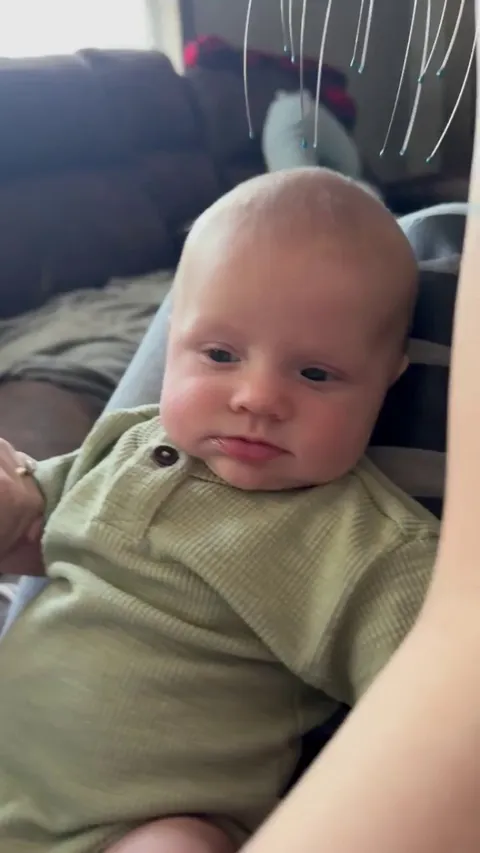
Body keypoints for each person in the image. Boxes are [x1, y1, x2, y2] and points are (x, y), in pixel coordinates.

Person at [0, 168, 438, 853]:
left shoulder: (366, 546)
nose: (257, 397)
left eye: (315, 373)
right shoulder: (130, 441)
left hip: (136, 825)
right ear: (173, 337)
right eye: (221, 354)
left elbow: (438, 697)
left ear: (387, 376)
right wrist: (16, 500)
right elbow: (39, 528)